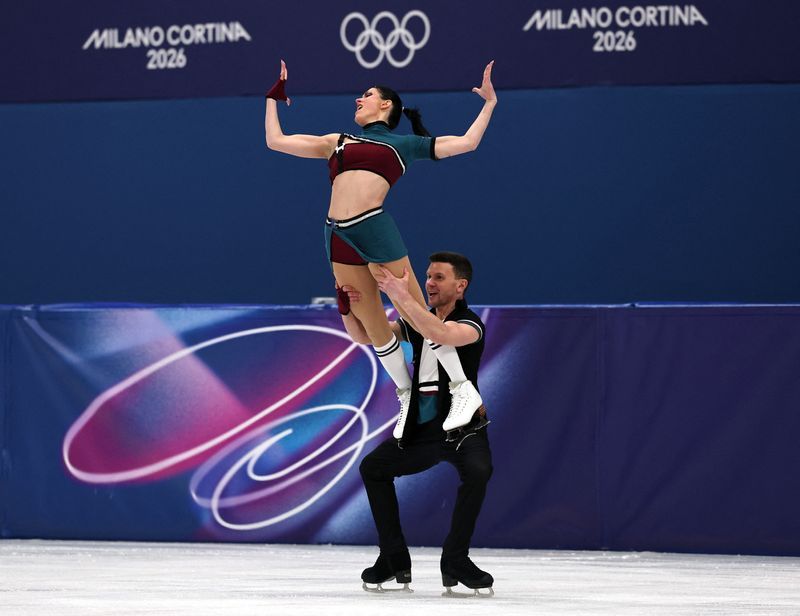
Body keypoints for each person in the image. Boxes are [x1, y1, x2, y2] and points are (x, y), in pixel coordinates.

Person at [264, 60, 497, 436]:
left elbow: (467, 143)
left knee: (415, 313)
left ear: (386, 105)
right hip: (335, 234)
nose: (359, 98)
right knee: (373, 326)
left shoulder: (403, 145)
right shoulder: (336, 141)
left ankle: (462, 389)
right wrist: (273, 98)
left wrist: (488, 104)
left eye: (368, 95)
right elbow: (275, 141)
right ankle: (406, 395)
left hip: (372, 227)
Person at [339, 252, 494, 596]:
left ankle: (455, 559)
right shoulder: (415, 320)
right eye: (427, 276)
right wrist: (349, 311)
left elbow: (438, 331)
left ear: (460, 285)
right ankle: (394, 559)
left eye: (438, 277)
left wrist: (399, 294)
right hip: (421, 428)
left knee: (479, 471)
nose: (429, 283)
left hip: (460, 427)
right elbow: (370, 336)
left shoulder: (470, 324)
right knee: (374, 468)